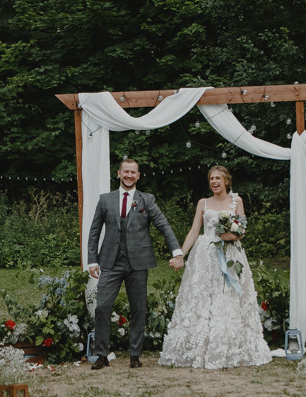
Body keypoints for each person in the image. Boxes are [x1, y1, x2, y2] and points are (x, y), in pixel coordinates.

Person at [158, 166, 270, 369]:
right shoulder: (203, 202)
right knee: (203, 296)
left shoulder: (237, 201)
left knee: (228, 296)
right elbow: (194, 231)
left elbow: (242, 229)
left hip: (230, 254)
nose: (214, 181)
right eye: (211, 178)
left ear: (226, 181)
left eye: (218, 178)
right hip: (205, 254)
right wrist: (180, 254)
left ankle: (227, 346)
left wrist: (234, 235)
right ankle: (200, 346)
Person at [86, 158, 184, 369]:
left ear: (138, 176)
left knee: (138, 308)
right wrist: (92, 260)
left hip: (138, 263)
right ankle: (101, 354)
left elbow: (163, 225)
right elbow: (94, 231)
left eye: (133, 172)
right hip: (110, 261)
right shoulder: (105, 200)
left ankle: (135, 355)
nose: (129, 175)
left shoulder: (147, 200)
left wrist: (177, 251)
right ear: (119, 174)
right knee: (102, 307)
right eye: (126, 172)